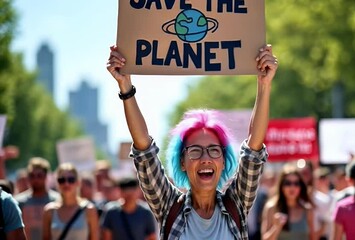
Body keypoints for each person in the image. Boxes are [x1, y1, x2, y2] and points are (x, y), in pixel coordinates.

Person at [107, 44, 278, 239]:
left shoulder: (236, 204)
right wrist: (125, 86)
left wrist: (264, 84)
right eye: (195, 151)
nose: (205, 158)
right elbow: (144, 150)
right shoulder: (168, 206)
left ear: (223, 160)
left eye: (214, 150)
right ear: (182, 161)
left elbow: (253, 151)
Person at [42, 163, 99, 240]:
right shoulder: (49, 210)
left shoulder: (89, 210)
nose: (66, 183)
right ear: (57, 183)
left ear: (78, 183)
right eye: (62, 180)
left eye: (71, 180)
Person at [261, 163, 316, 240]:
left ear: (301, 187)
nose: (292, 187)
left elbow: (313, 238)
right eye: (288, 183)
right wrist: (276, 227)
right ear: (281, 186)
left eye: (296, 183)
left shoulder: (307, 210)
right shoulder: (272, 208)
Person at [15, 157, 60, 240]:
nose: (36, 179)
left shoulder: (57, 201)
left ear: (46, 176)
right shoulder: (18, 202)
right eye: (32, 176)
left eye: (39, 175)